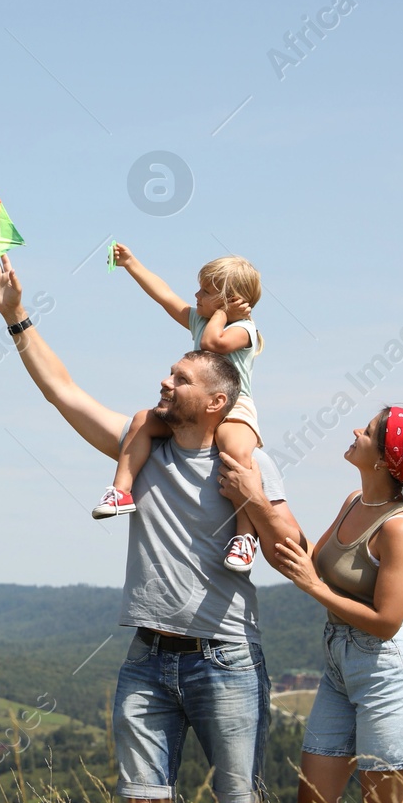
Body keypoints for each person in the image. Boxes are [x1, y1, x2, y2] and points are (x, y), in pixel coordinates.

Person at [0, 254, 302, 803]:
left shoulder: (248, 458)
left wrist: (256, 502)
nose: (165, 379)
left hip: (227, 658)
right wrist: (16, 316)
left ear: (217, 400)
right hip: (147, 661)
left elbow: (291, 545)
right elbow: (62, 391)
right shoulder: (143, 446)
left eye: (179, 377)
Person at [222, 405, 403, 803]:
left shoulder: (399, 528)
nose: (356, 431)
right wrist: (254, 502)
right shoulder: (351, 502)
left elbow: (386, 619)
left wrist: (315, 587)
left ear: (388, 458)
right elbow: (302, 554)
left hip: (389, 671)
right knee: (314, 801)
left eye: (369, 430)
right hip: (341, 666)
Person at [93, 245, 269, 574]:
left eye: (205, 290)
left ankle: (245, 537)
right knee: (143, 420)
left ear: (229, 299)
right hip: (194, 405)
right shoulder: (201, 318)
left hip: (233, 407)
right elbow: (164, 295)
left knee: (237, 456)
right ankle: (121, 491)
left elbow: (212, 345)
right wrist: (131, 263)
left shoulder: (244, 328)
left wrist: (220, 314)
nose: (196, 295)